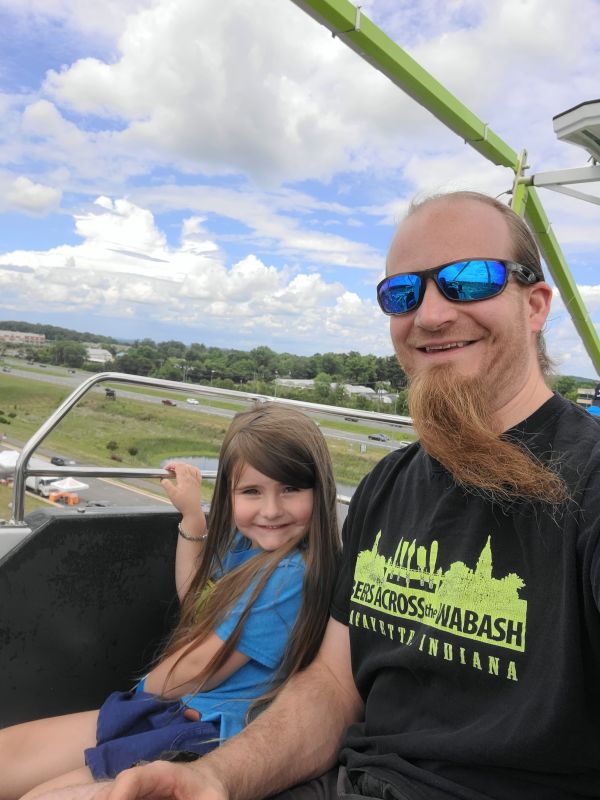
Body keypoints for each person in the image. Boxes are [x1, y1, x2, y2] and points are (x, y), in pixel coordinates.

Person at [33, 190, 600, 800]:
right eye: (403, 293)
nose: (430, 315)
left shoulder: (588, 482)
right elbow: (332, 686)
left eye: (469, 280)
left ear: (536, 304)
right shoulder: (389, 483)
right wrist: (212, 778)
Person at [0, 403, 340, 800]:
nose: (271, 510)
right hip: (174, 708)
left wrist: (142, 694)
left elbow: (198, 668)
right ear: (230, 496)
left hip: (199, 729)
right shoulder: (248, 549)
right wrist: (192, 516)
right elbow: (196, 601)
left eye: (291, 489)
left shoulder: (290, 574)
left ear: (320, 490)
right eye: (252, 491)